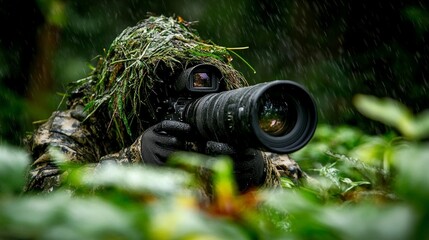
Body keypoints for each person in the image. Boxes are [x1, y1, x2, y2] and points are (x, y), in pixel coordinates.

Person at [24, 15, 304, 196]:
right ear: (127, 96)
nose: (190, 104)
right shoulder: (87, 122)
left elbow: (304, 198)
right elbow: (42, 194)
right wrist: (133, 160)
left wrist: (259, 175)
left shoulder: (223, 124)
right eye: (164, 94)